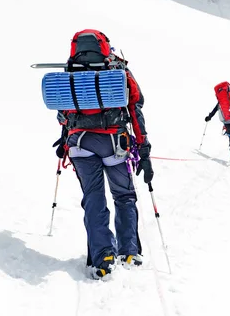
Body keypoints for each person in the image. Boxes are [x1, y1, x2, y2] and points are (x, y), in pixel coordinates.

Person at [53, 29, 154, 279]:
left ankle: (103, 257)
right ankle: (129, 251)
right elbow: (135, 107)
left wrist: (65, 137)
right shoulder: (119, 71)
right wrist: (144, 149)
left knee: (93, 198)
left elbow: (63, 111)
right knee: (123, 195)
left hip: (79, 144)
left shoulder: (71, 72)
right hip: (113, 142)